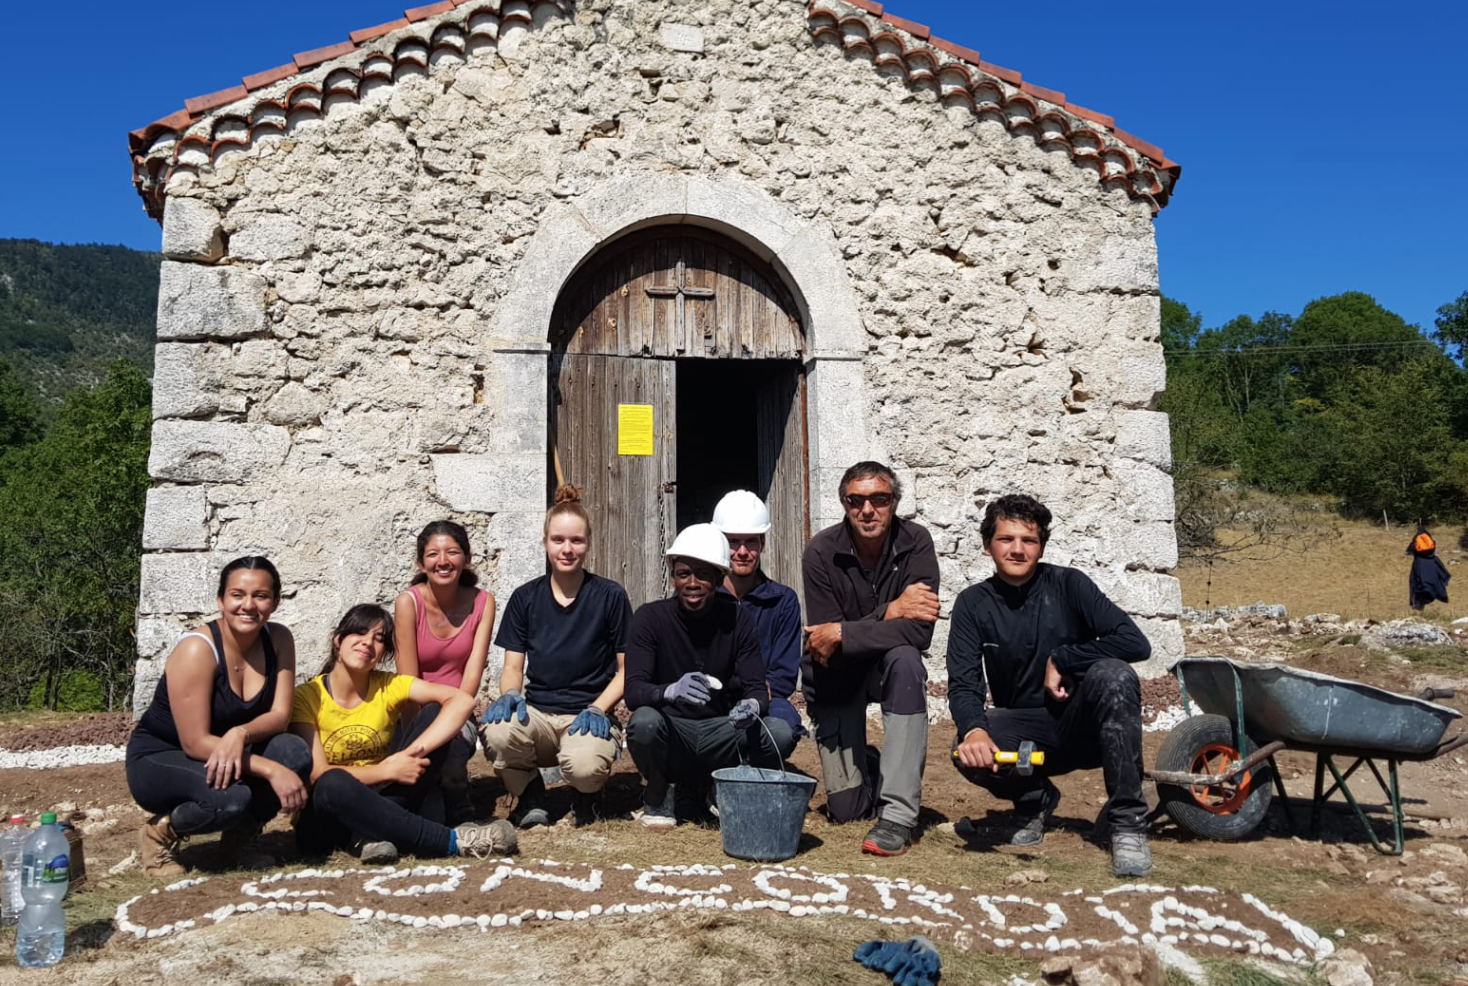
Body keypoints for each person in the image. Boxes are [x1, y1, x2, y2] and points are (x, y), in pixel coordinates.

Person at [946, 493, 1153, 877]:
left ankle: (1127, 824)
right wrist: (974, 729)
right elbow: (963, 684)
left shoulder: (1069, 585)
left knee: (1115, 674)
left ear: (1042, 545)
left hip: (1085, 728)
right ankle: (1034, 799)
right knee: (963, 745)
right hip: (1026, 737)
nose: (1018, 550)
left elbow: (1135, 643)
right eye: (1007, 539)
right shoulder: (973, 603)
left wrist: (1064, 659)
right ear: (987, 544)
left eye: (1029, 540)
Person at [126, 556, 312, 877]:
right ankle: (159, 834)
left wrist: (239, 733)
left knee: (293, 752)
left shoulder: (279, 640)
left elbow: (280, 716)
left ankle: (238, 841)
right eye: (237, 595)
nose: (248, 605)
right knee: (230, 800)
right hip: (165, 756)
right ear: (221, 600)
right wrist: (269, 769)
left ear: (276, 602)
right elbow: (196, 743)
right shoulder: (197, 649)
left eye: (261, 596)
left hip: (229, 751)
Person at [290, 604, 516, 863]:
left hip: (382, 798)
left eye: (378, 639)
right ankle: (453, 841)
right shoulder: (307, 696)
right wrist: (386, 770)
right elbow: (319, 773)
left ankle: (374, 835)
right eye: (359, 633)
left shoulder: (387, 684)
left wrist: (410, 754)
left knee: (432, 714)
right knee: (333, 781)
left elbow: (462, 701)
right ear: (338, 640)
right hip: (326, 817)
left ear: (383, 654)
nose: (367, 643)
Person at [802, 462, 939, 857]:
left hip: (888, 669)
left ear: (894, 502)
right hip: (836, 676)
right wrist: (890, 612)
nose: (868, 510)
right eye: (856, 500)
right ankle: (873, 763)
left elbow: (918, 632)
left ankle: (898, 814)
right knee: (848, 811)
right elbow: (824, 645)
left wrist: (847, 631)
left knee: (907, 661)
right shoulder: (821, 552)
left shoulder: (917, 543)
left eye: (879, 499)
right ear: (844, 504)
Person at [479, 485, 633, 828]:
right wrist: (508, 695)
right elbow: (513, 666)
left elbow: (627, 669)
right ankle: (531, 793)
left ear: (588, 543)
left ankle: (586, 795)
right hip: (538, 715)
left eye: (576, 541)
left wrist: (599, 707)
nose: (567, 549)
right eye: (558, 540)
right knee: (498, 732)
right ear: (545, 542)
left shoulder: (610, 597)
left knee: (584, 765)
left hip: (588, 715)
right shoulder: (525, 598)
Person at [624, 523, 780, 829]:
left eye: (704, 575)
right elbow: (634, 692)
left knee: (779, 732)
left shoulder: (738, 619)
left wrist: (752, 706)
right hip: (671, 731)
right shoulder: (650, 618)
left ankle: (722, 784)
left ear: (720, 579)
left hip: (720, 729)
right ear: (673, 577)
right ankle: (658, 793)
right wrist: (668, 691)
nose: (692, 583)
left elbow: (757, 689)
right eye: (683, 574)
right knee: (643, 722)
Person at [392, 520, 495, 823]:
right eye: (433, 554)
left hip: (458, 712)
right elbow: (407, 684)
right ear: (421, 563)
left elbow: (472, 678)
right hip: (417, 713)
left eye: (452, 552)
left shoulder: (483, 602)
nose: (443, 561)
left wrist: (449, 723)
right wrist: (416, 741)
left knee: (450, 758)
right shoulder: (408, 603)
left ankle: (455, 787)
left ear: (466, 559)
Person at [712, 489, 804, 761]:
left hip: (764, 700)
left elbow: (784, 675)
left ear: (762, 543)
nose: (742, 552)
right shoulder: (700, 598)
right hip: (711, 698)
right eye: (733, 542)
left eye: (750, 542)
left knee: (783, 728)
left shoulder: (782, 601)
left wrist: (754, 696)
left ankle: (754, 765)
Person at [1407, 526, 1450, 611]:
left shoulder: (1417, 540)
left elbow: (1410, 550)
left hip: (1419, 564)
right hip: (1431, 563)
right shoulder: (1431, 542)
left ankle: (1418, 607)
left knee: (1417, 585)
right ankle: (1425, 601)